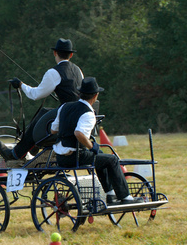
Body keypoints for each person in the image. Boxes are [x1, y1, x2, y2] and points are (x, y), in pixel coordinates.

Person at [50, 77, 143, 205]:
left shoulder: (64, 107)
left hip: (61, 157)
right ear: (96, 95)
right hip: (76, 156)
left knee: (100, 157)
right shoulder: (88, 114)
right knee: (112, 160)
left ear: (79, 94)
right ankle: (125, 196)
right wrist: (91, 146)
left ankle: (110, 194)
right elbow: (79, 133)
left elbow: (53, 130)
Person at [0, 38, 84, 161]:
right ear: (71, 55)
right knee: (44, 112)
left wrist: (21, 85)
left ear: (55, 53)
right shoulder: (78, 70)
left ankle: (16, 154)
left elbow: (35, 95)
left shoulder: (54, 72)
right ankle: (32, 145)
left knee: (43, 116)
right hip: (79, 113)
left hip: (67, 116)